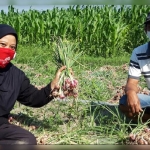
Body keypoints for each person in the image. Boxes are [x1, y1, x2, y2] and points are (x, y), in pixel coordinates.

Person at [0, 24, 69, 145]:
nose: (7, 50)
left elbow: (33, 98)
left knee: (27, 141)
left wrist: (51, 88)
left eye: (12, 47)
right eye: (2, 45)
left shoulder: (16, 76)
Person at [119, 12, 150, 123]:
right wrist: (131, 93)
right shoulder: (138, 52)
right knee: (125, 103)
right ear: (146, 30)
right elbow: (132, 83)